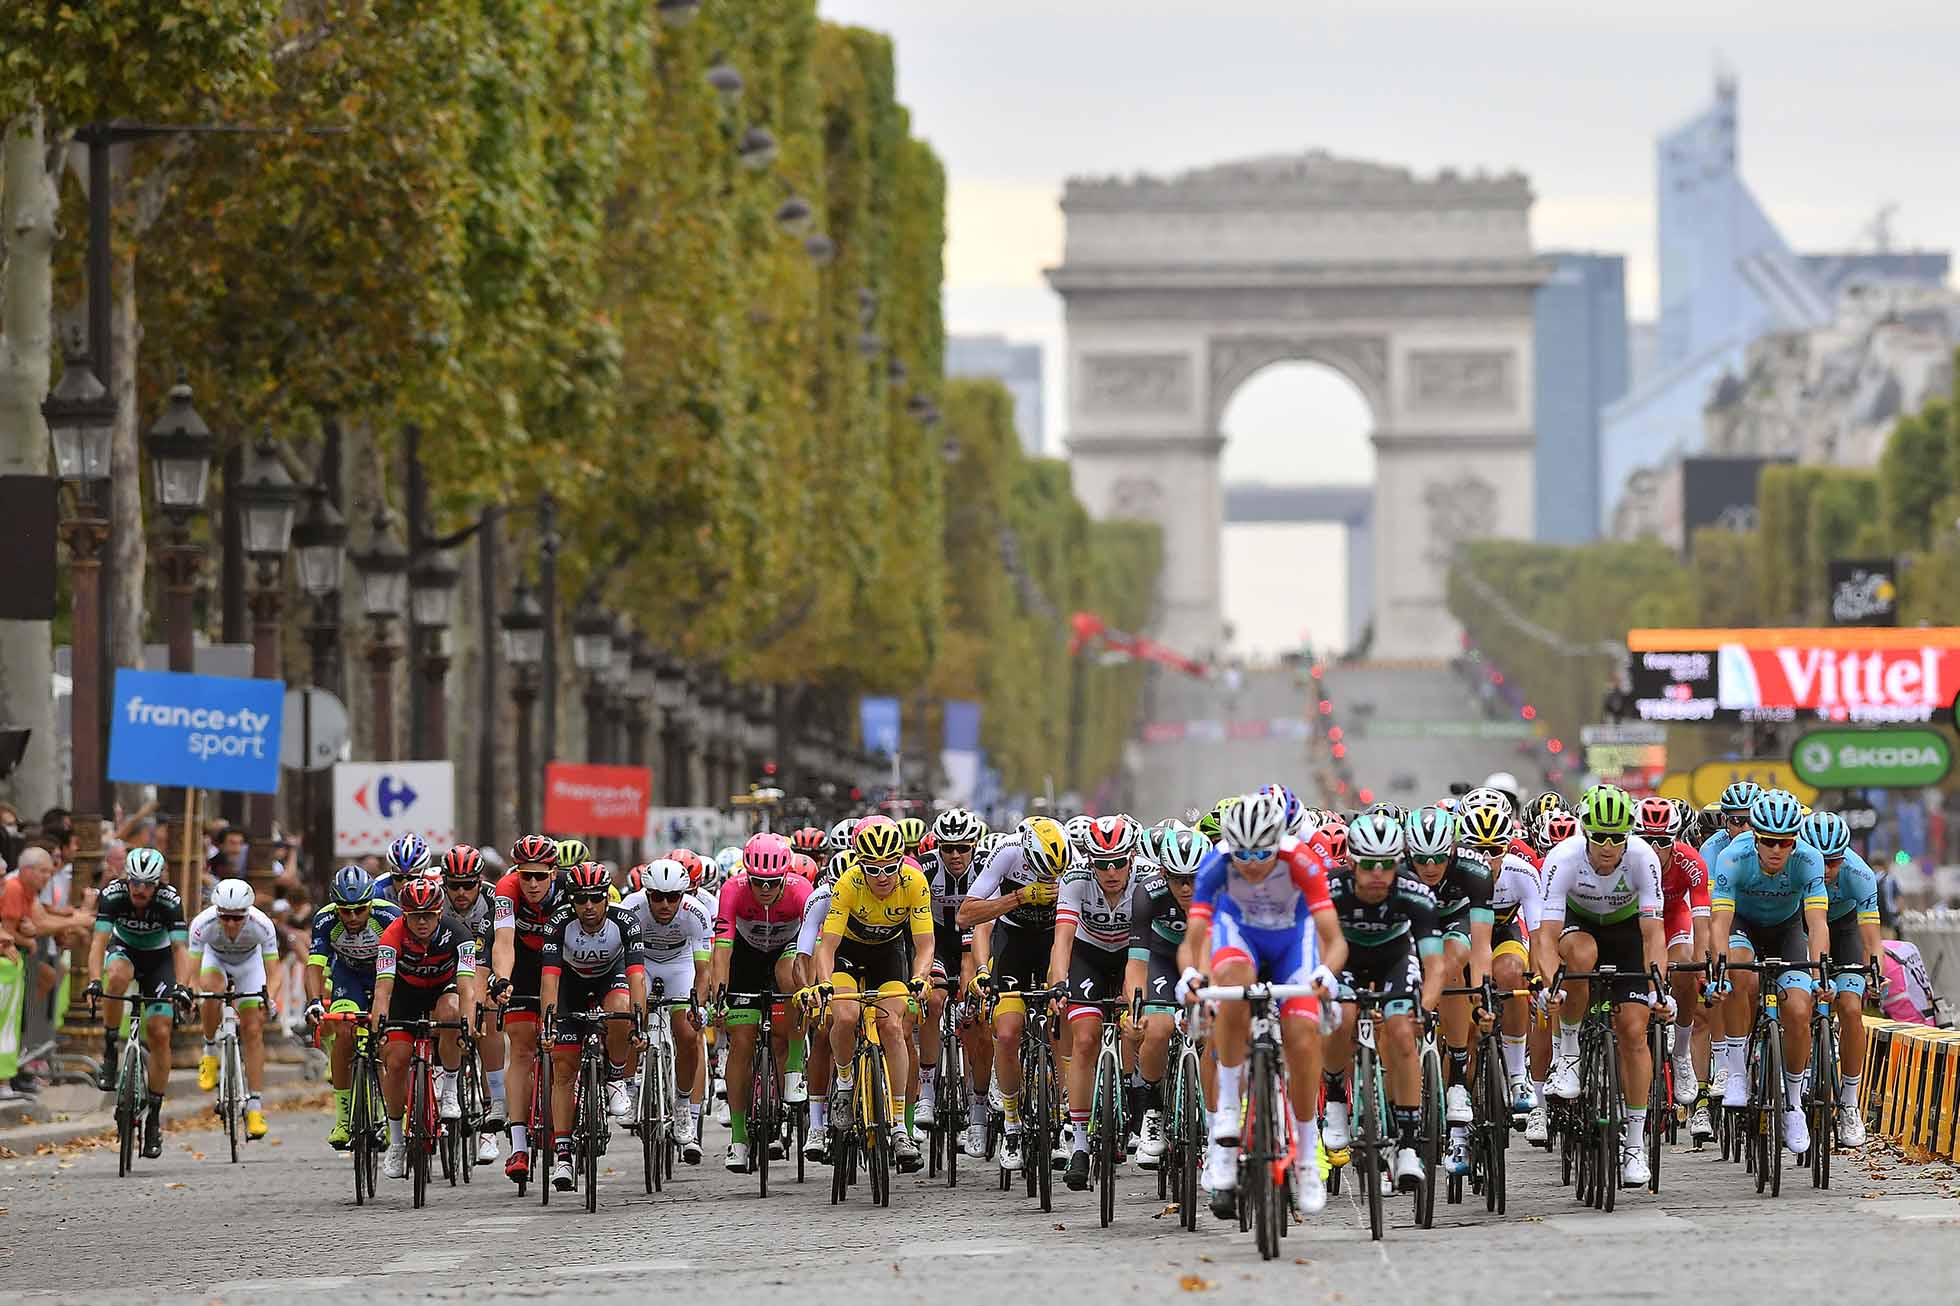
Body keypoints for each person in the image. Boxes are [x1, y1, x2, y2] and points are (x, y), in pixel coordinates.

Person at [1181, 790, 1346, 1217]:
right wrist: (1192, 977)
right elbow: (1194, 940)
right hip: (1242, 938)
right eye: (1243, 854)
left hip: (1295, 941)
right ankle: (1226, 1122)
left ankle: (1308, 1156)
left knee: (1303, 1038)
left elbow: (1333, 940)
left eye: (1262, 853)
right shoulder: (1217, 863)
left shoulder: (1302, 862)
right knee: (1230, 987)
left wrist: (1326, 974)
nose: (1252, 863)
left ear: (1280, 844)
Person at [1536, 785, 1669, 1188]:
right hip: (1579, 926)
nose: (1608, 847)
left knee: (1633, 1030)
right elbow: (1545, 936)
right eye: (1599, 837)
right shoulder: (1563, 858)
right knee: (1581, 954)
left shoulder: (1644, 859)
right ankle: (1571, 1052)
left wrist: (1658, 990)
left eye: (1617, 838)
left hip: (1628, 933)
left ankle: (1633, 1144)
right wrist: (1550, 984)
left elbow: (1653, 936)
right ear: (1585, 833)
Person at [1318, 811, 1441, 1200]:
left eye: (1386, 865)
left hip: (1394, 959)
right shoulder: (1329, 889)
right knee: (1342, 1016)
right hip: (1344, 959)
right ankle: (1336, 1097)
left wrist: (1424, 1007)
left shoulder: (1414, 892)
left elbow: (1435, 964)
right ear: (1351, 862)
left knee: (1403, 1031)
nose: (1377, 874)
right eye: (1368, 865)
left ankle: (1407, 1143)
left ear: (1398, 863)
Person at [1710, 789, 1830, 1158]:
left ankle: (1793, 1103)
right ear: (1755, 837)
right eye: (1768, 842)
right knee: (1739, 975)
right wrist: (1719, 971)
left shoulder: (1809, 860)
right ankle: (1735, 1072)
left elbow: (1817, 922)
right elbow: (1720, 922)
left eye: (1785, 842)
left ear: (1795, 840)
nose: (1776, 850)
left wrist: (1820, 972)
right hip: (1743, 927)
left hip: (1787, 930)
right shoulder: (1734, 857)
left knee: (1798, 1009)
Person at [814, 816, 933, 1174]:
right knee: (846, 1016)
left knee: (893, 1027)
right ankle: (846, 1084)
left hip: (889, 956)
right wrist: (823, 983)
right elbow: (827, 946)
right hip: (849, 955)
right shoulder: (848, 884)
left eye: (889, 868)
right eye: (872, 868)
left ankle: (898, 1126)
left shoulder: (914, 882)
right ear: (858, 864)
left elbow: (924, 944)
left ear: (901, 862)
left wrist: (921, 978)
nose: (881, 877)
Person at [537, 863, 646, 1190]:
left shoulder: (625, 922)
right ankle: (564, 1156)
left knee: (620, 1009)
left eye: (595, 898)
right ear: (571, 899)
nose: (588, 905)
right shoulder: (558, 924)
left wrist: (639, 1023)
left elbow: (637, 976)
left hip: (609, 978)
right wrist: (548, 1024)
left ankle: (615, 1076)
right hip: (570, 983)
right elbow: (549, 981)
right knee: (564, 1068)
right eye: (581, 899)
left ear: (605, 898)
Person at [1049, 814, 1142, 1191]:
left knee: (1135, 1021)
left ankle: (1134, 1095)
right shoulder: (1074, 881)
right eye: (1103, 864)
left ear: (1132, 858)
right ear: (1091, 861)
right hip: (1089, 955)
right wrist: (1057, 984)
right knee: (1084, 1038)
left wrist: (1134, 991)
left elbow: (1148, 945)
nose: (1112, 871)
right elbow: (1063, 940)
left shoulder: (1146, 882)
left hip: (1132, 955)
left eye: (1119, 862)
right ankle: (1081, 1145)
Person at [83, 847, 192, 1158]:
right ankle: (109, 1048)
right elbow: (98, 943)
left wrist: (182, 987)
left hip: (159, 961)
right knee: (114, 977)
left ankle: (154, 1119)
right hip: (125, 950)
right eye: (135, 883)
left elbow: (180, 950)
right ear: (126, 879)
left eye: (147, 884)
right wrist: (94, 981)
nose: (140, 890)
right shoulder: (113, 895)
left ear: (158, 884)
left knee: (160, 1032)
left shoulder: (170, 901)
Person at [370, 878, 478, 1180]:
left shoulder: (459, 933)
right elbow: (383, 989)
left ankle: (450, 1090)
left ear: (440, 912)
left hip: (444, 989)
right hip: (405, 995)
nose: (421, 922)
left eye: (428, 915)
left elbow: (468, 988)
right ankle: (396, 1141)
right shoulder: (392, 936)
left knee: (452, 1012)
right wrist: (379, 1023)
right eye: (415, 916)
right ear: (404, 915)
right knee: (395, 1059)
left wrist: (468, 1023)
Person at [305, 866, 404, 1148]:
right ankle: (343, 1118)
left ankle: (399, 1114)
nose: (351, 917)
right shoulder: (325, 919)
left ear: (370, 905)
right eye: (344, 910)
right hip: (348, 977)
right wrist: (314, 1002)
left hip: (387, 975)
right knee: (345, 1032)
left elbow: (405, 961)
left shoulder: (388, 916)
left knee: (389, 1044)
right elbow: (315, 965)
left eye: (359, 910)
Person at [619, 858, 711, 1162]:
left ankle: (683, 1105)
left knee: (687, 1034)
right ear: (646, 894)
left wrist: (697, 1005)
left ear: (683, 896)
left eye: (672, 897)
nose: (665, 904)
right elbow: (622, 961)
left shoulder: (695, 913)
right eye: (657, 896)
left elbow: (703, 970)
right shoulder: (631, 908)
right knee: (632, 1017)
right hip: (641, 963)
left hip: (680, 965)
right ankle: (631, 1086)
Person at [486, 834, 564, 1183]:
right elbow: (503, 942)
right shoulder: (506, 890)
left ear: (554, 872)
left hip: (564, 960)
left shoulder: (571, 887)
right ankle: (518, 1146)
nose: (531, 883)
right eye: (524, 874)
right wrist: (501, 980)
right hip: (523, 959)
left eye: (540, 875)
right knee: (520, 1046)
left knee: (564, 1046)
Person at [188, 878, 281, 1139]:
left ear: (247, 913)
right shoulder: (202, 924)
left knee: (253, 1029)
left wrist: (269, 997)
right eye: (225, 917)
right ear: (216, 911)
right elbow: (192, 970)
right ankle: (209, 1051)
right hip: (215, 959)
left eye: (237, 918)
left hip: (249, 965)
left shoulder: (262, 925)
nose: (230, 923)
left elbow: (274, 972)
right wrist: (192, 991)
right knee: (210, 993)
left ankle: (254, 1107)